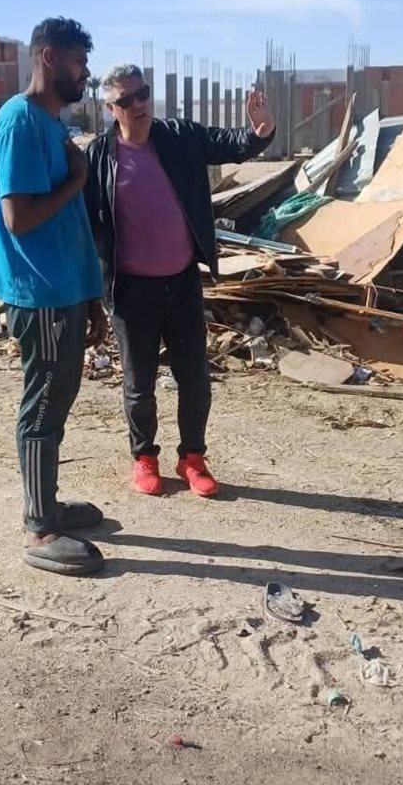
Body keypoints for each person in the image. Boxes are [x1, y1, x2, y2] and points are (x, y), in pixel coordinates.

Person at [84, 65, 275, 497]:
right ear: (110, 108)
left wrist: (260, 131)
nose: (139, 104)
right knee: (139, 384)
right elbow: (83, 224)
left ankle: (192, 457)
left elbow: (229, 143)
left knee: (194, 379)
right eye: (127, 100)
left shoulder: (179, 136)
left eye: (143, 94)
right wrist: (89, 292)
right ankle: (144, 457)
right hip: (131, 291)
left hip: (182, 282)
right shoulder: (98, 157)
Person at [0, 17, 108, 576]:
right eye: (78, 62)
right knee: (43, 407)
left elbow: (69, 223)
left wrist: (91, 297)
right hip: (40, 293)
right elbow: (19, 217)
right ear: (49, 57)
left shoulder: (49, 124)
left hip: (64, 290)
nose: (85, 73)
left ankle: (47, 503)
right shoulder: (20, 121)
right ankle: (40, 527)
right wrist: (77, 179)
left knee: (58, 400)